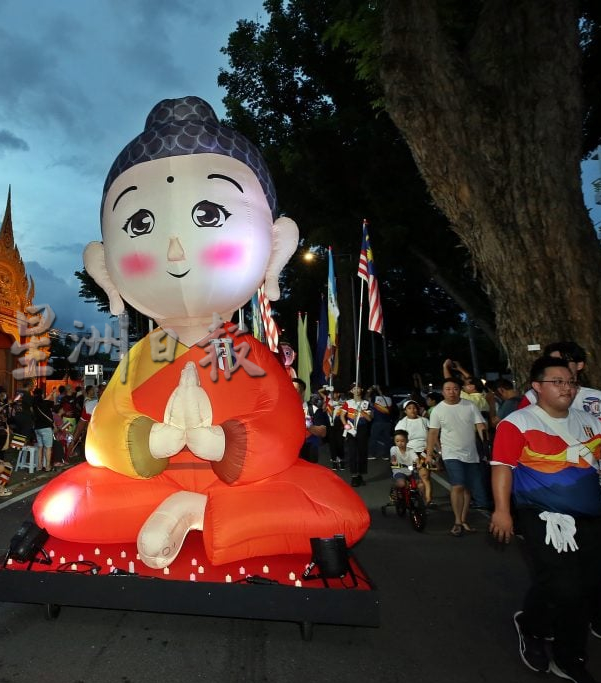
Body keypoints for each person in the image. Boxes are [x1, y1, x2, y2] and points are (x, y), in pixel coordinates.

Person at [31, 96, 369, 567]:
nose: (174, 252)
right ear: (105, 269)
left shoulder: (243, 352)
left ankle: (200, 512)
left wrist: (228, 445)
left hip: (249, 481)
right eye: (140, 223)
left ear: (273, 252)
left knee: (339, 509)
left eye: (209, 215)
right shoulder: (146, 355)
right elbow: (103, 433)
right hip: (155, 479)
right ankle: (216, 516)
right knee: (60, 503)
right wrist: (147, 442)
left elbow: (283, 423)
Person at [490, 356, 601, 683]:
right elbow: (503, 466)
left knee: (586, 586)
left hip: (593, 517)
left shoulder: (591, 422)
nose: (567, 387)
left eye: (571, 382)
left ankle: (531, 621)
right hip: (543, 517)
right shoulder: (517, 423)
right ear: (537, 387)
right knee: (565, 586)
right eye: (557, 381)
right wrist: (502, 511)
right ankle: (568, 659)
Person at [519, 340, 601, 642]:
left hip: (598, 489)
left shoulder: (598, 401)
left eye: (563, 363)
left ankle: (595, 616)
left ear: (579, 366)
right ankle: (542, 622)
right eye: (551, 365)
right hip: (552, 497)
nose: (558, 371)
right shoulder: (531, 401)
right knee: (558, 570)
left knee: (595, 563)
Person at [425, 378, 487, 536]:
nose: (452, 392)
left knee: (467, 489)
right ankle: (457, 521)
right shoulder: (438, 410)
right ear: (443, 391)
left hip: (471, 453)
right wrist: (429, 453)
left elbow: (480, 425)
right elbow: (433, 432)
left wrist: (486, 444)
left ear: (460, 390)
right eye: (448, 389)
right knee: (457, 485)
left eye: (455, 389)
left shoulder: (470, 406)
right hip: (451, 453)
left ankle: (463, 520)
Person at [393, 399, 434, 506]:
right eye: (409, 408)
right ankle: (405, 495)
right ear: (405, 411)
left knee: (425, 476)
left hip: (424, 451)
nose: (413, 410)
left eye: (415, 408)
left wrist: (436, 450)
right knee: (408, 479)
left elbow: (432, 435)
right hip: (408, 452)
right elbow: (398, 440)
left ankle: (428, 500)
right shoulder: (401, 423)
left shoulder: (425, 421)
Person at [343, 384, 372, 487]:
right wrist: (345, 425)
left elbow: (369, 419)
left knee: (362, 452)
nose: (356, 390)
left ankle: (360, 475)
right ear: (351, 391)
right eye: (354, 388)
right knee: (352, 452)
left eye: (358, 388)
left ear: (362, 389)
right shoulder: (347, 403)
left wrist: (361, 411)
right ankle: (354, 476)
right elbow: (342, 416)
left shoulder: (366, 403)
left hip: (362, 429)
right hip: (351, 429)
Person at [388, 430, 419, 501]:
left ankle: (422, 503)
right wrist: (393, 461)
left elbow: (416, 458)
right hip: (399, 470)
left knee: (420, 484)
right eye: (397, 441)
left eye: (402, 441)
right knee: (402, 483)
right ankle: (394, 488)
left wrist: (418, 463)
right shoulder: (394, 449)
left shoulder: (410, 450)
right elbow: (393, 455)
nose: (400, 443)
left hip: (410, 470)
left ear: (407, 441)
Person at [32, 388, 56, 471]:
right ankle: (48, 467)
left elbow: (45, 400)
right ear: (41, 395)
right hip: (46, 428)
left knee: (40, 447)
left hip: (37, 428)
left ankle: (39, 466)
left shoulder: (35, 404)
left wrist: (51, 393)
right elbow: (54, 404)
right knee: (48, 448)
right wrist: (54, 395)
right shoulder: (46, 403)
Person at [368, 385, 393, 460]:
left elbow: (367, 398)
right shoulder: (389, 399)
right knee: (387, 440)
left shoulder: (376, 398)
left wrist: (371, 389)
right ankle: (386, 455)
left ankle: (372, 454)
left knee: (373, 439)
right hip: (387, 423)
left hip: (377, 422)